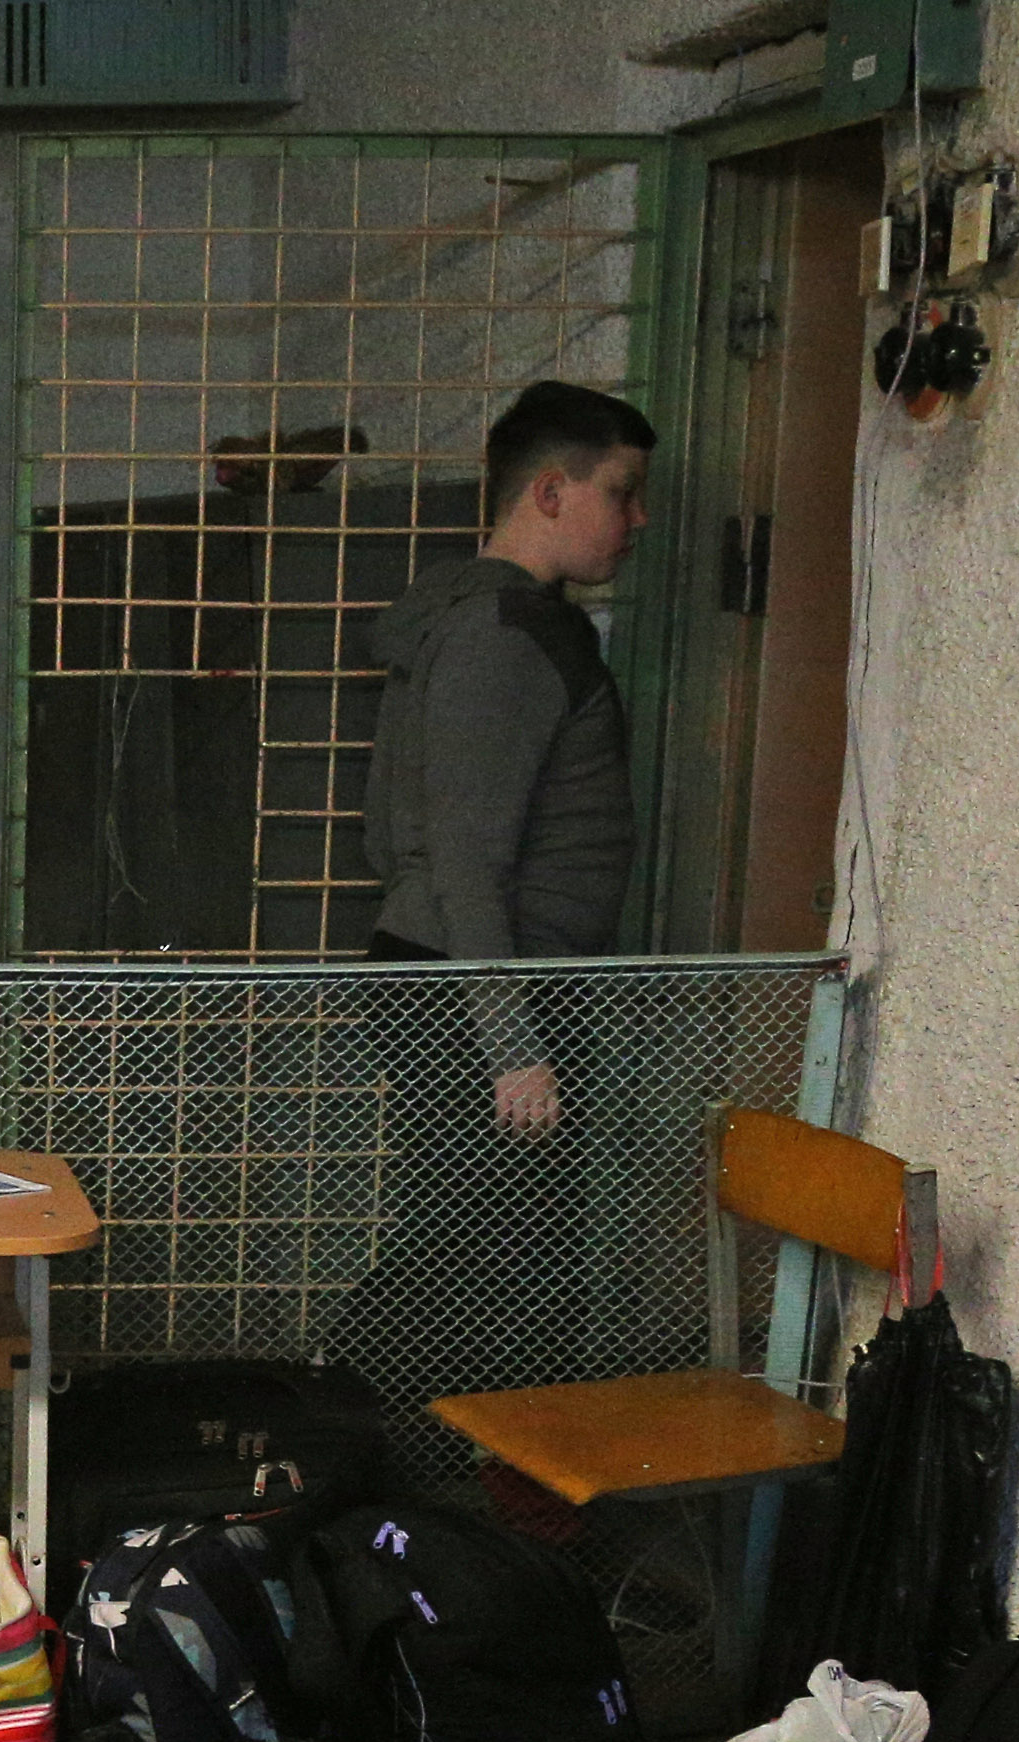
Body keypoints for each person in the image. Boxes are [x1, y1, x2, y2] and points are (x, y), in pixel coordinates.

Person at [356, 379, 659, 1409]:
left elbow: (392, 835)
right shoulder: (505, 635)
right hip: (487, 991)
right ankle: (372, 1441)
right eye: (620, 492)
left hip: (459, 978)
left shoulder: (467, 621)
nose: (636, 520)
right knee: (494, 1263)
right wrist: (513, 1042)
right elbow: (464, 857)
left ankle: (376, 1439)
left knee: (474, 1248)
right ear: (549, 492)